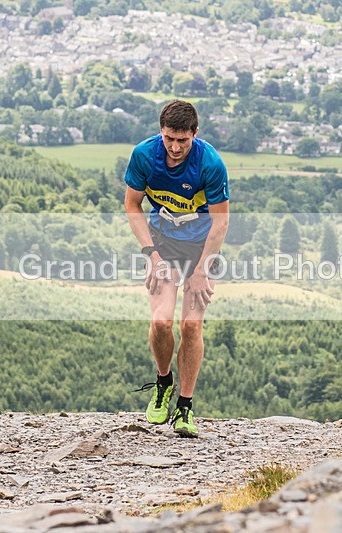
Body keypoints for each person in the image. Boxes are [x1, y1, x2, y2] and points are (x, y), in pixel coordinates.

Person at [124, 100, 229, 438]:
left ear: (194, 135)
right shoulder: (144, 155)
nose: (175, 147)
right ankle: (164, 381)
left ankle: (185, 406)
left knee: (191, 326)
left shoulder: (210, 163)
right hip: (163, 242)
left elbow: (221, 220)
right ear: (161, 132)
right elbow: (132, 204)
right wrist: (151, 254)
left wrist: (202, 270)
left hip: (202, 246)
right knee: (160, 321)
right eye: (169, 138)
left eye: (183, 140)